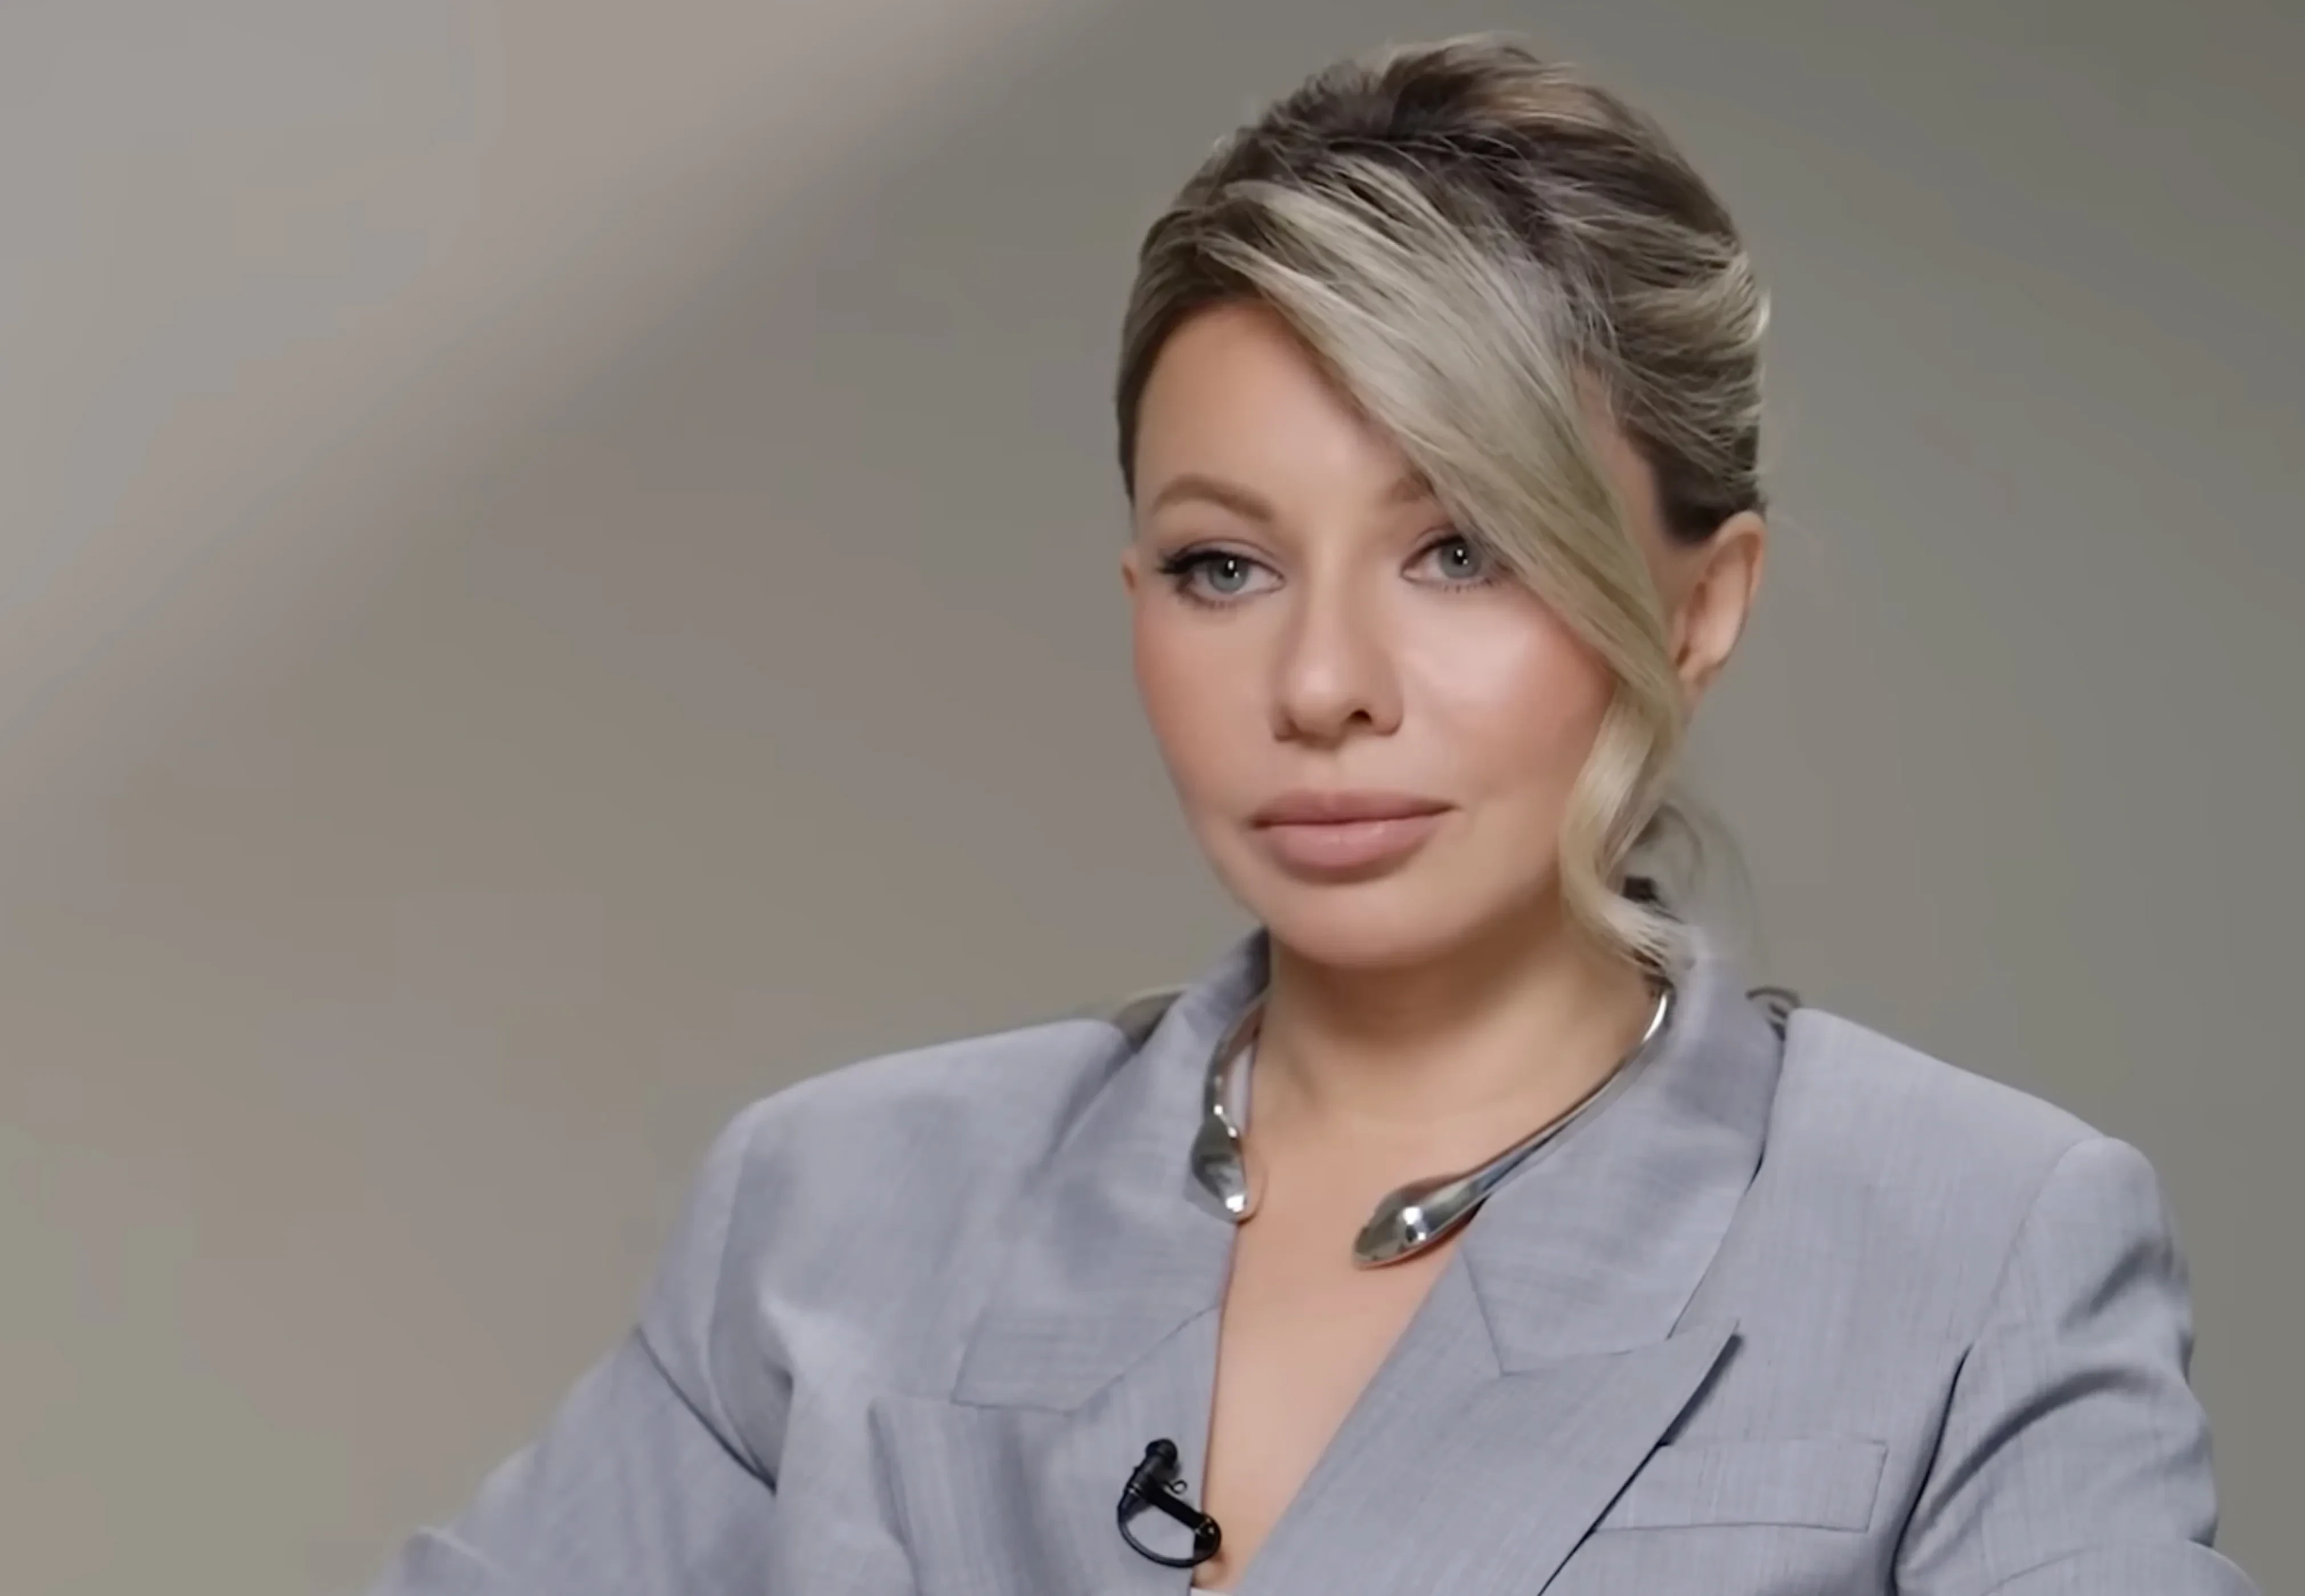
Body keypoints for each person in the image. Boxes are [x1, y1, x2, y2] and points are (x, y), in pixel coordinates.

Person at [365, 34, 2255, 1596]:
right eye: (1223, 566)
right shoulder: (837, 1212)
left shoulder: (1977, 1246)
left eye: (1460, 549)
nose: (1323, 682)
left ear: (1699, 602)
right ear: (1135, 599)